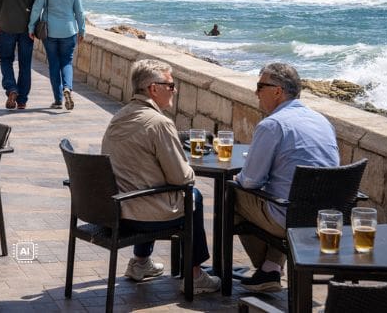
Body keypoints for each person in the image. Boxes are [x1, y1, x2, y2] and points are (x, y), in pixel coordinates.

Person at [101, 59, 221, 295]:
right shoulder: (159, 123)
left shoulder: (119, 117)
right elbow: (181, 178)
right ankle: (195, 275)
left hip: (112, 208)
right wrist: (189, 168)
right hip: (139, 213)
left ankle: (140, 261)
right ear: (153, 89)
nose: (174, 90)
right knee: (192, 196)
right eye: (171, 85)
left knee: (155, 186)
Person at [234, 62, 339, 291]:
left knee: (230, 196)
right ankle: (270, 266)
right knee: (283, 193)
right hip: (327, 218)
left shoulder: (272, 125)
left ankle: (268, 271)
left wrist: (237, 181)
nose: (256, 92)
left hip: (288, 216)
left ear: (277, 91)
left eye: (260, 86)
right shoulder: (323, 121)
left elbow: (251, 181)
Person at [28, 0, 85, 110]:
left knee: (54, 64)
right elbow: (79, 11)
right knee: (66, 62)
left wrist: (31, 27)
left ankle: (58, 100)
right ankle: (67, 87)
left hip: (50, 32)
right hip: (69, 31)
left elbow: (36, 9)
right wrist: (82, 30)